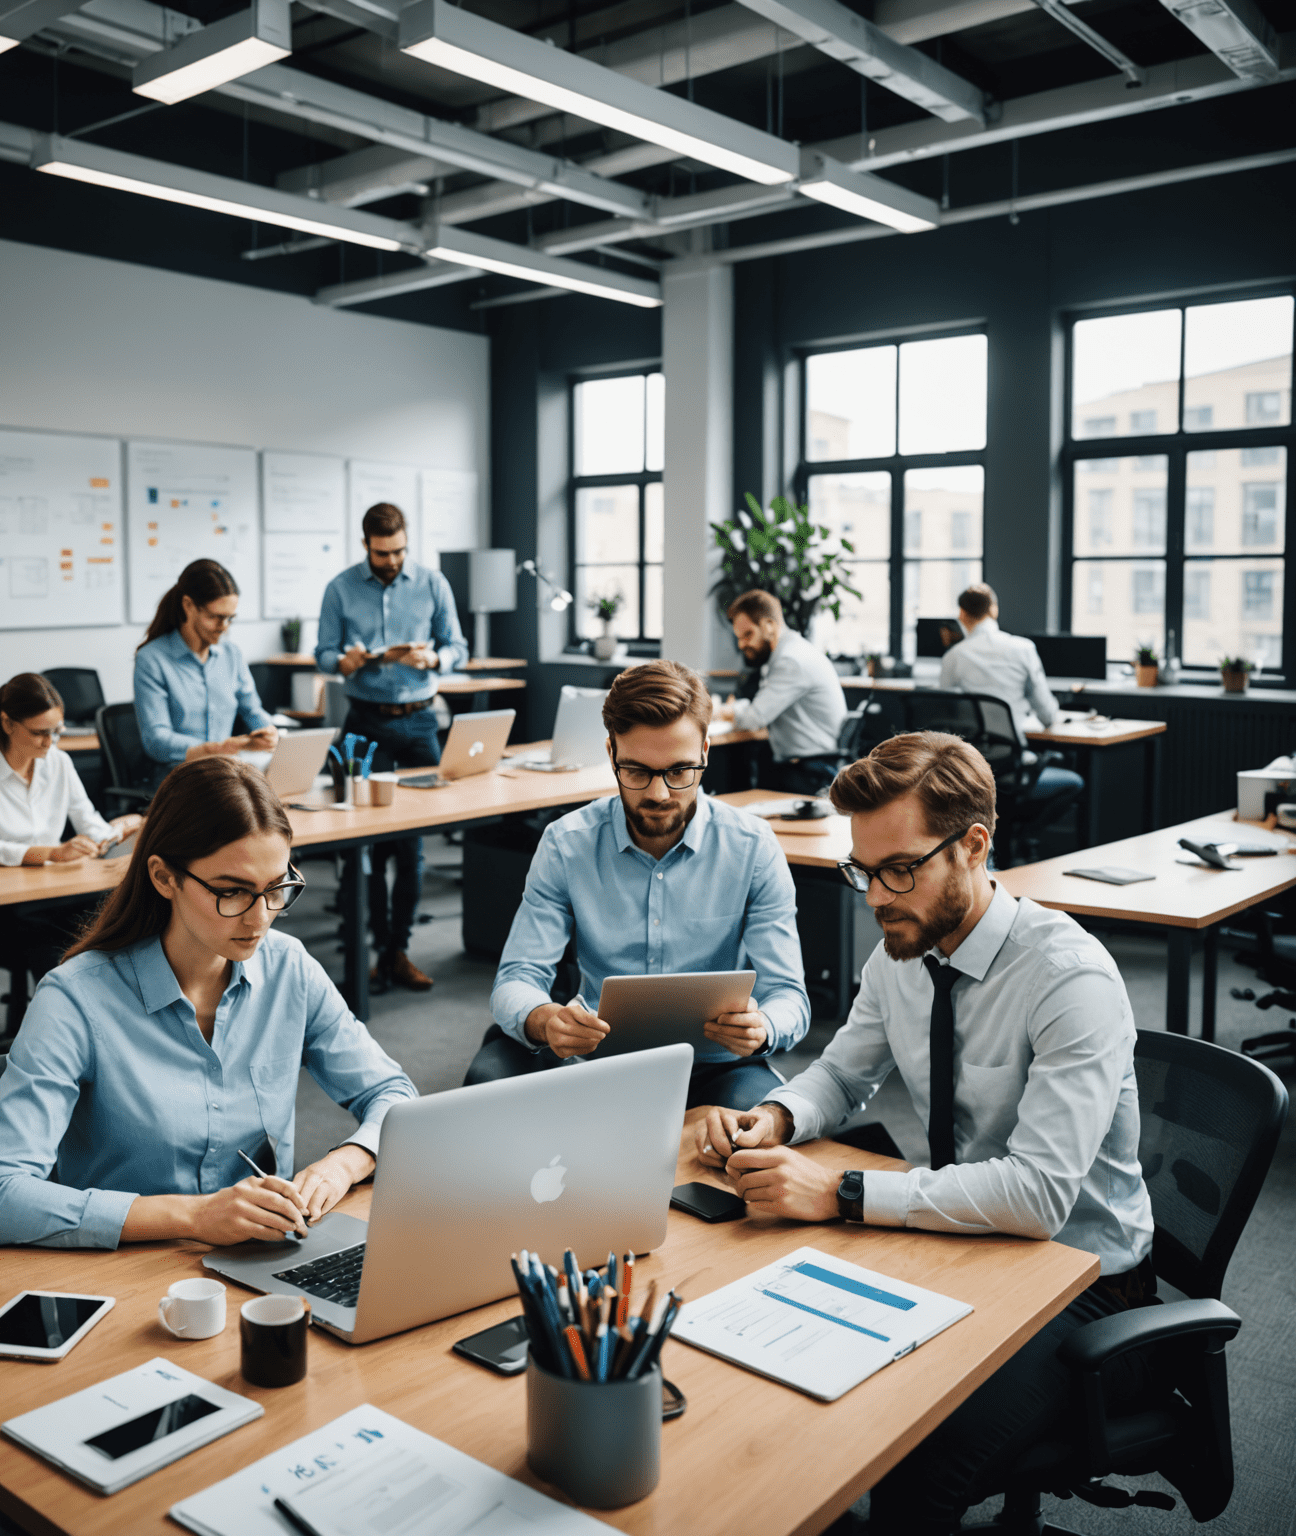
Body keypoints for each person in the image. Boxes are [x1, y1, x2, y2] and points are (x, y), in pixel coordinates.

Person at [695, 732, 1155, 1533]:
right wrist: (773, 1116)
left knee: (913, 1461)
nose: (875, 897)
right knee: (790, 1396)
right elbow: (842, 1075)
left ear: (974, 846)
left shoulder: (1067, 978)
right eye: (862, 871)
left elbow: (1040, 1196)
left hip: (1083, 1286)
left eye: (899, 869)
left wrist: (838, 1191)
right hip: (964, 1244)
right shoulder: (901, 953)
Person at [0, 756, 417, 1250]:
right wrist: (193, 1216)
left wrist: (343, 1164)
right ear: (163, 877)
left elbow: (393, 1093)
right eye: (233, 892)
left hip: (260, 1259)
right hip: (123, 1272)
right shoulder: (74, 1000)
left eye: (276, 889)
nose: (261, 917)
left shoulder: (289, 968)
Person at [474, 660, 812, 1111]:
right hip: (596, 1058)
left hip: (716, 1063)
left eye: (679, 772)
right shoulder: (566, 844)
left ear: (706, 752)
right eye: (637, 771)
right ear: (611, 753)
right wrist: (545, 1019)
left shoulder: (751, 847)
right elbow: (516, 979)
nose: (658, 794)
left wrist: (763, 1026)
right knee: (489, 1086)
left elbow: (790, 995)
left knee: (757, 1134)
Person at [314, 501, 468, 993]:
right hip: (365, 723)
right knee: (372, 846)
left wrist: (434, 657)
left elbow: (459, 648)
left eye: (399, 550)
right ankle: (376, 950)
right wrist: (345, 661)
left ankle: (398, 950)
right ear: (366, 546)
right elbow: (322, 655)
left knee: (413, 846)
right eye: (383, 554)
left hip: (420, 721)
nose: (393, 560)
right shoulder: (340, 588)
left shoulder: (432, 584)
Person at [0, 672, 144, 978]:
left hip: (59, 893)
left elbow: (88, 821)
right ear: (8, 723)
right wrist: (52, 853)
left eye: (57, 731)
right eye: (40, 733)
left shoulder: (58, 761)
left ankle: (96, 1018)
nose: (50, 743)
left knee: (120, 922)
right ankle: (59, 1020)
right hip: (9, 904)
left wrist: (122, 831)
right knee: (64, 940)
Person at [939, 581, 1083, 853]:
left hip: (969, 772)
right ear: (993, 610)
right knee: (1073, 782)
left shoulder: (953, 657)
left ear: (962, 615)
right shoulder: (1023, 649)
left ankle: (1002, 840)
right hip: (1012, 768)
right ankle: (1023, 836)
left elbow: (948, 716)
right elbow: (1048, 714)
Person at [134, 559, 278, 780]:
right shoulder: (152, 659)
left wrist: (268, 731)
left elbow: (252, 710)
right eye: (215, 617)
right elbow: (156, 741)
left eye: (230, 618)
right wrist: (214, 749)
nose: (224, 627)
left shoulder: (231, 654)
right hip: (179, 776)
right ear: (188, 605)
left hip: (224, 771)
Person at [717, 589, 847, 795]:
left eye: (748, 634)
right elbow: (761, 707)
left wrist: (725, 711)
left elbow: (754, 718)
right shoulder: (789, 653)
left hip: (811, 773)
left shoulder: (790, 660)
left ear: (769, 625)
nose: (742, 645)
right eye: (739, 637)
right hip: (808, 766)